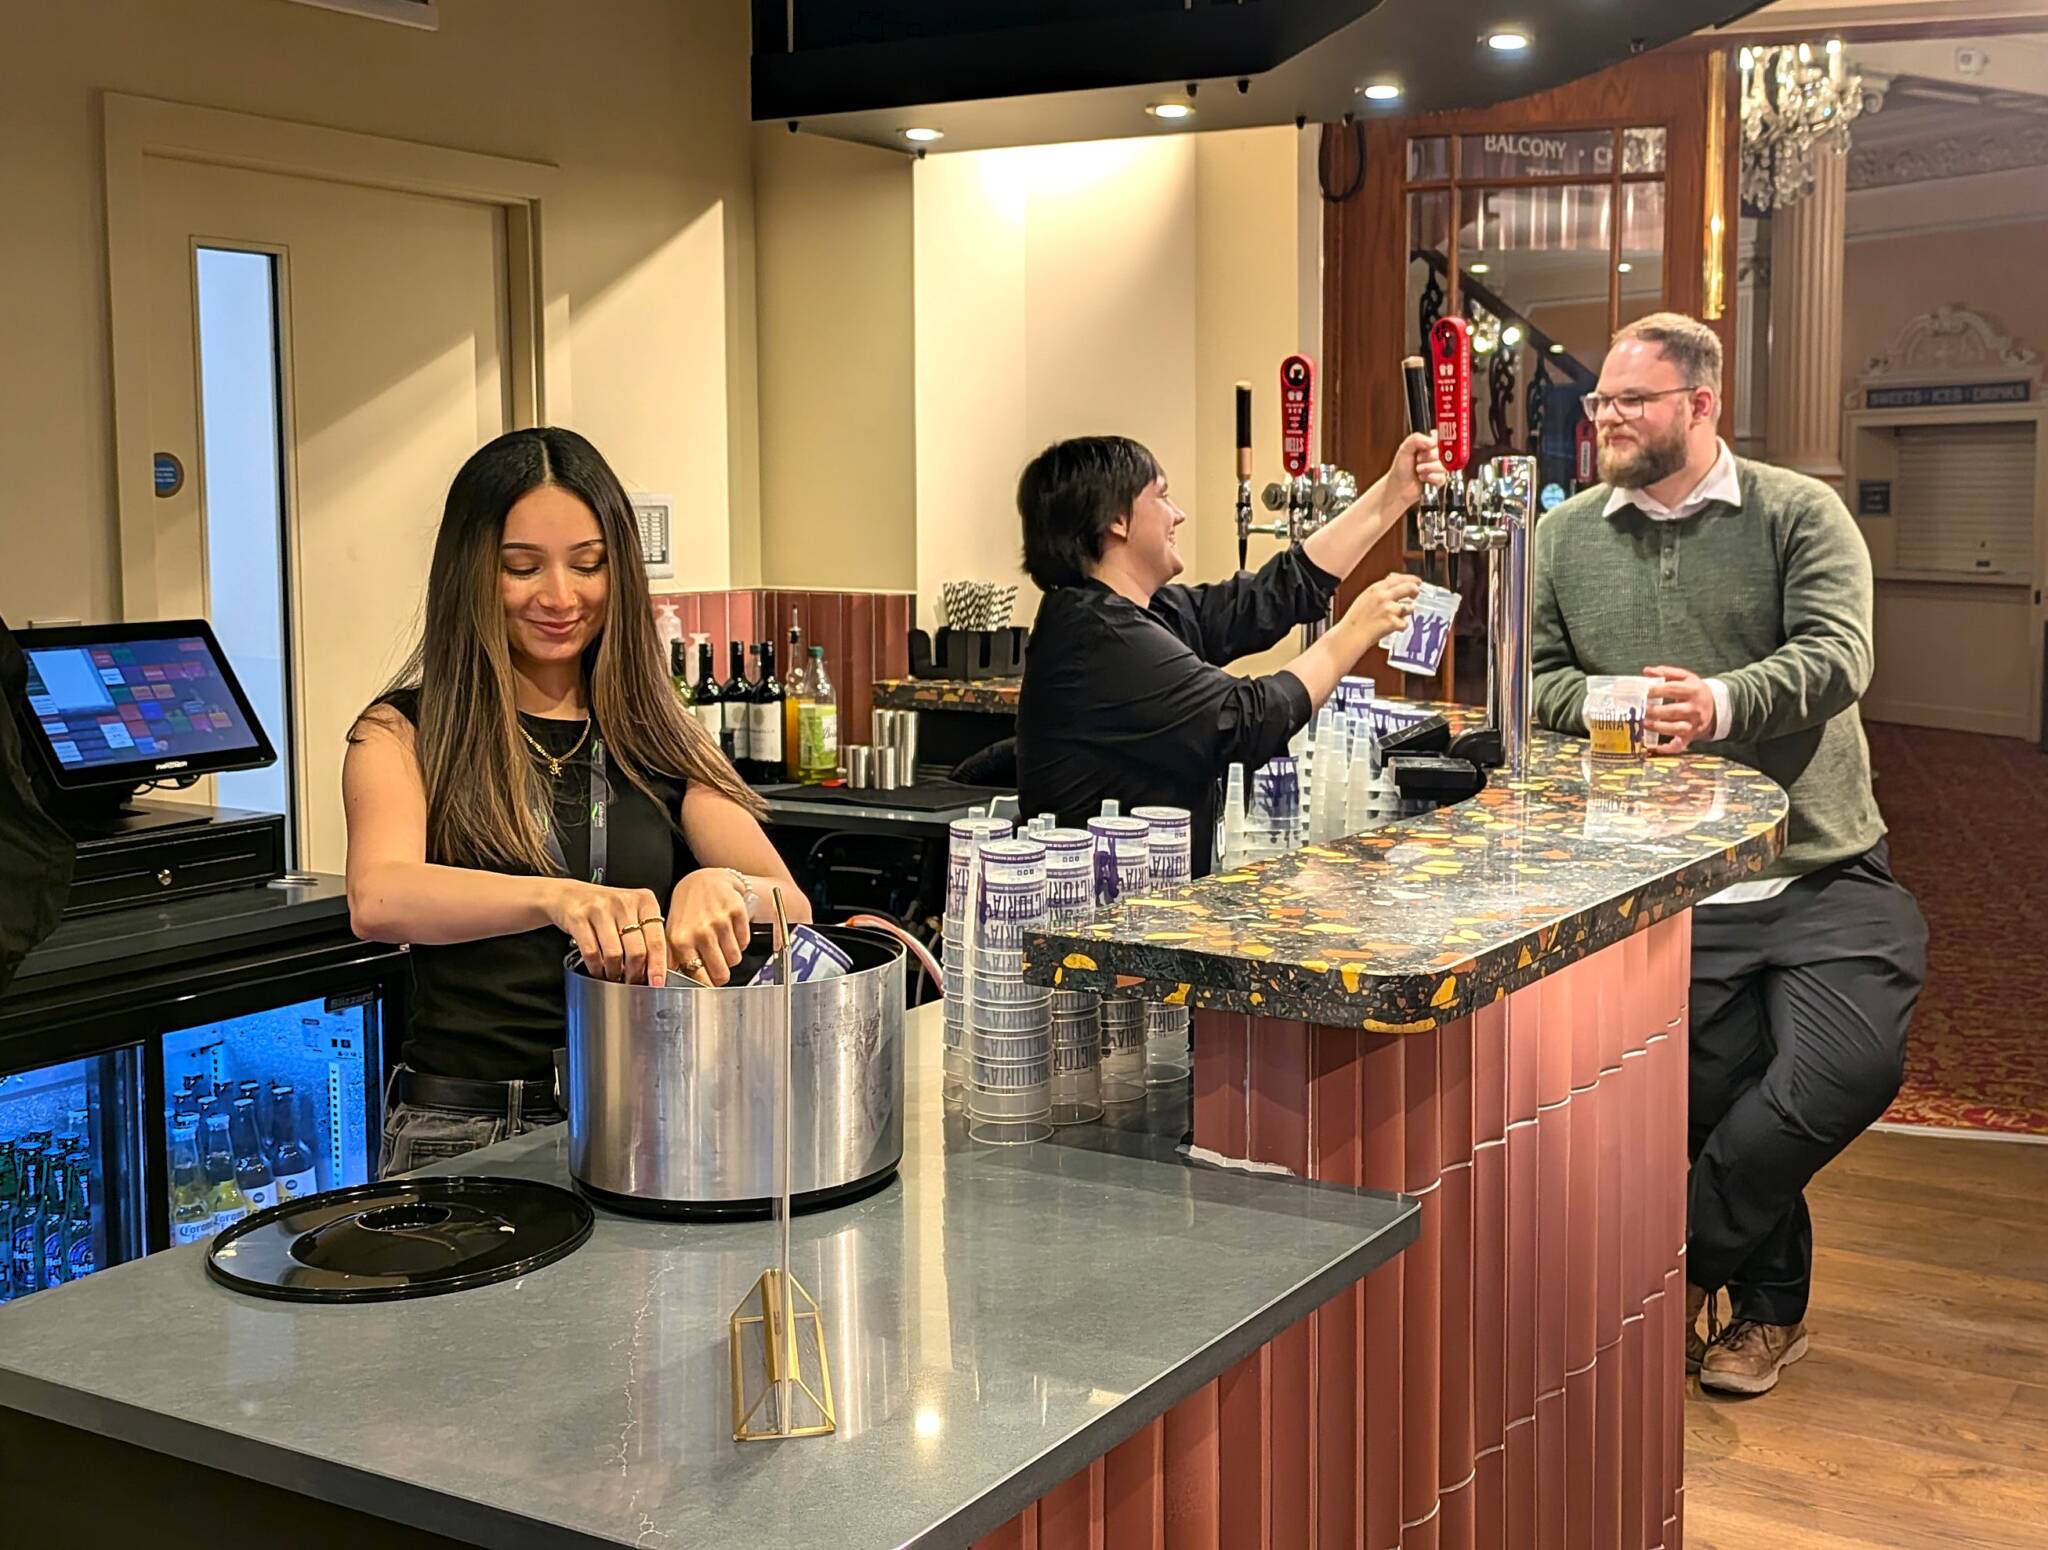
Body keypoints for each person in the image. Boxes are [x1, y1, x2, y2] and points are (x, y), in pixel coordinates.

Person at [1530, 312, 1927, 1396]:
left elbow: (1838, 654)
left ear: (1699, 405)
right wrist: (1618, 702)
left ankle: (1666, 1274)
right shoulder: (1562, 533)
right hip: (1666, 876)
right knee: (1710, 1100)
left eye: (1629, 401)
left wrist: (1715, 703)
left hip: (1821, 860)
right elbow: (1533, 680)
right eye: (1599, 401)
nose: (1604, 418)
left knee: (1839, 1070)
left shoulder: (1800, 513)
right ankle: (1763, 1315)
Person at [344, 427, 809, 1174]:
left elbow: (790, 903)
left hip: (647, 1111)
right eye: (521, 567)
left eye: (588, 566)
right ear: (470, 572)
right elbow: (380, 896)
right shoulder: (400, 731)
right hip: (465, 1128)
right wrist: (557, 899)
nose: (560, 597)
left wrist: (719, 885)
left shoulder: (657, 736)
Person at [1015, 432, 1442, 873]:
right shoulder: (1096, 637)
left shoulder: (1137, 612)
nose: (1177, 514)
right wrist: (1353, 631)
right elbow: (1247, 721)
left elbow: (1268, 596)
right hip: (1099, 928)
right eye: (1161, 496)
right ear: (1117, 521)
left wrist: (1394, 493)